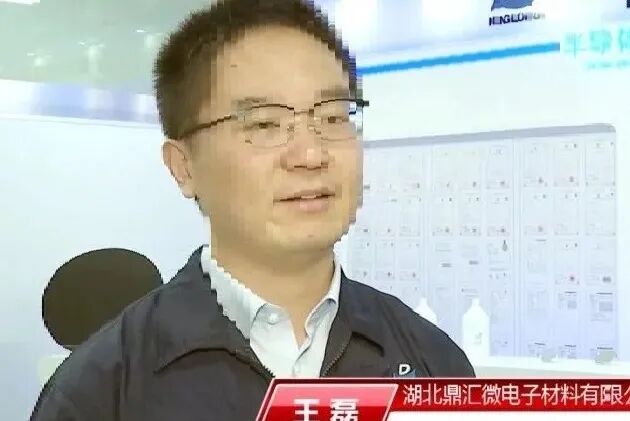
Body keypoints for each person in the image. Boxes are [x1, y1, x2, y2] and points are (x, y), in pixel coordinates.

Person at [30, 0, 474, 419]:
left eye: (334, 117)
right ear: (183, 167)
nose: (311, 154)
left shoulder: (433, 361)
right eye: (264, 124)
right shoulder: (100, 392)